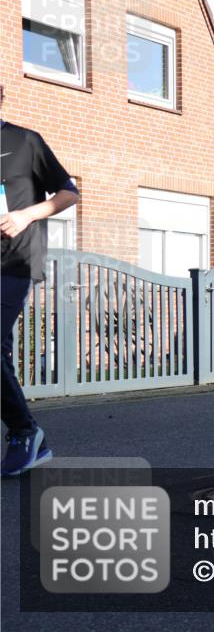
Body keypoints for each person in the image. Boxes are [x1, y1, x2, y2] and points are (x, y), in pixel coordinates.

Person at [1, 87, 80, 476]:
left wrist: (26, 215)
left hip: (13, 261)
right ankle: (33, 440)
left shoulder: (24, 141)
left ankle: (23, 431)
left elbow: (68, 192)